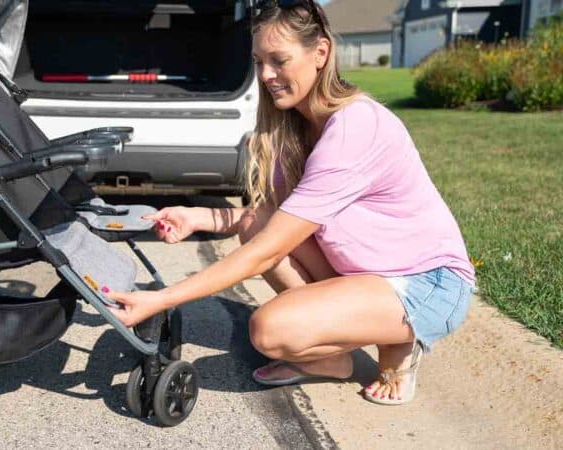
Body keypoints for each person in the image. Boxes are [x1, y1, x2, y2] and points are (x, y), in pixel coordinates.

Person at [107, 0, 476, 406]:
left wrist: (162, 298)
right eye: (259, 61)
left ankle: (399, 339)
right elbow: (268, 220)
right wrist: (198, 216)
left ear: (320, 53)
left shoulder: (356, 127)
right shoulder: (296, 128)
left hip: (426, 283)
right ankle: (332, 357)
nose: (266, 75)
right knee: (255, 226)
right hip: (370, 270)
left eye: (279, 60)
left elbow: (268, 252)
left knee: (270, 330)